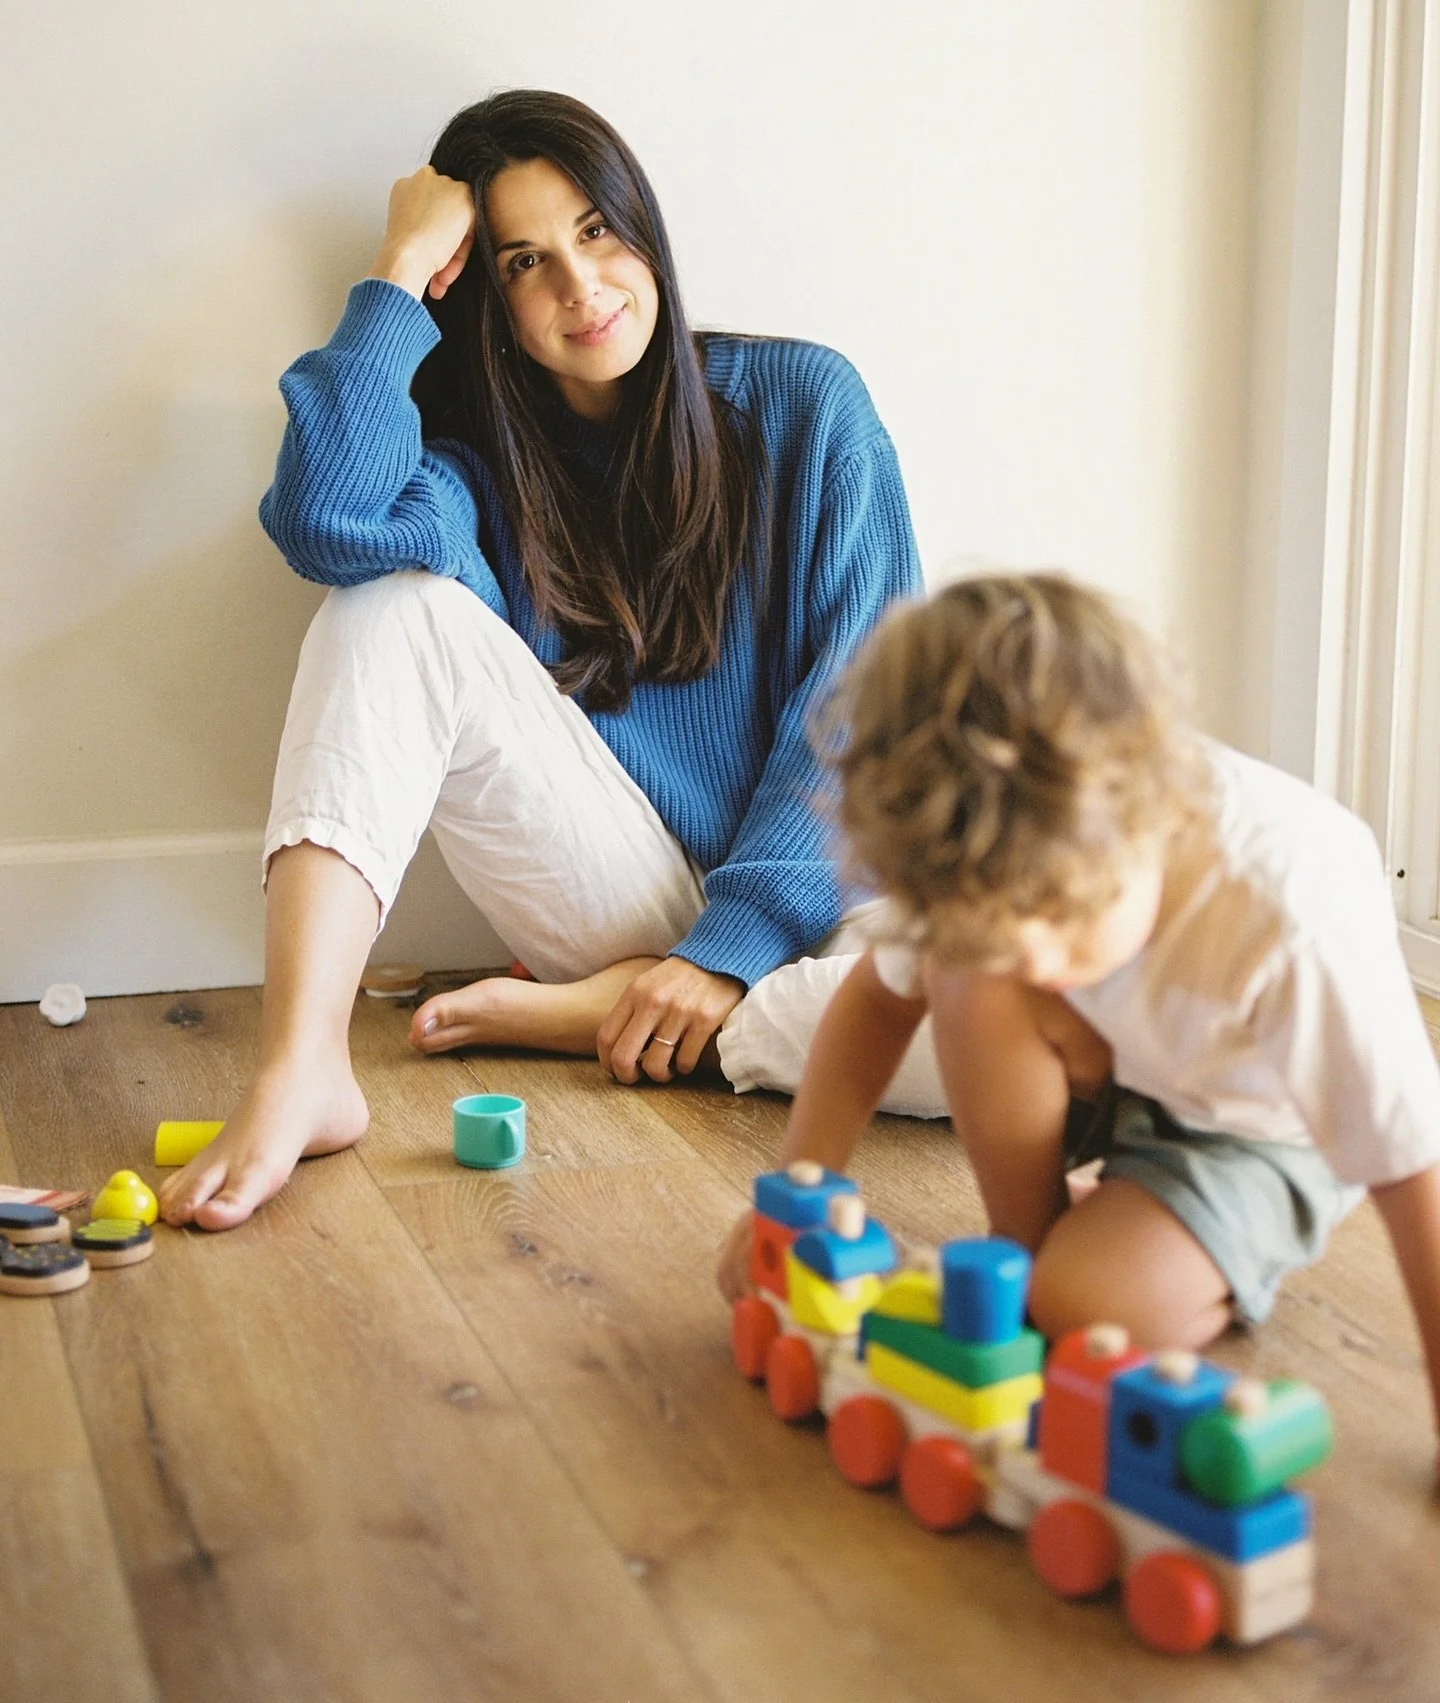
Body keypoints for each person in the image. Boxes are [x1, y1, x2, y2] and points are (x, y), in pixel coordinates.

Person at [158, 89, 947, 1233]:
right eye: (526, 262)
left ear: (646, 230)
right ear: (490, 298)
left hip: (828, 889)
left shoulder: (806, 406)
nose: (582, 287)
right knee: (383, 610)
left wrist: (728, 953)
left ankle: (613, 1014)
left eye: (596, 231)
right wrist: (397, 269)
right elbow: (327, 521)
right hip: (620, 886)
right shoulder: (479, 476)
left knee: (994, 1035)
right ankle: (303, 1068)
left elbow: (861, 712)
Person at [716, 573, 1440, 1463]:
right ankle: (1028, 1241)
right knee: (972, 980)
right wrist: (797, 1197)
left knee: (1080, 1309)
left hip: (1252, 1131)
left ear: (1151, 814)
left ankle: (1125, 1254)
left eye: (1063, 924)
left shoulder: (1290, 901)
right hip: (1121, 1068)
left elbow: (1413, 1168)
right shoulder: (995, 855)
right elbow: (876, 1002)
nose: (1046, 973)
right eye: (1012, 941)